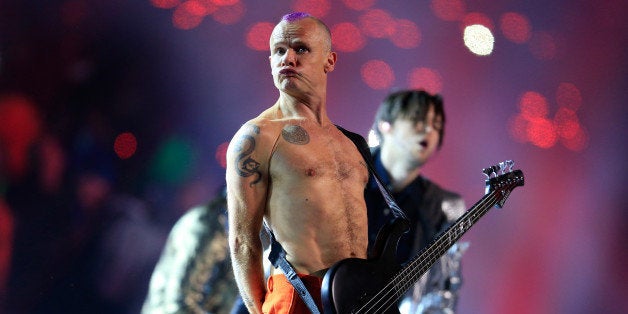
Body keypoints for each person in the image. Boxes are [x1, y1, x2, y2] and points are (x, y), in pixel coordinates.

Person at [225, 12, 370, 314]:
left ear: (329, 61)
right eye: (279, 50)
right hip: (298, 298)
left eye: (301, 49)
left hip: (358, 300)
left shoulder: (353, 145)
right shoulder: (258, 135)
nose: (287, 58)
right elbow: (243, 239)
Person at [366, 89, 468, 313]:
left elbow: (443, 290)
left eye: (437, 125)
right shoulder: (344, 176)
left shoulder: (440, 207)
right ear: (386, 124)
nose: (429, 130)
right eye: (417, 119)